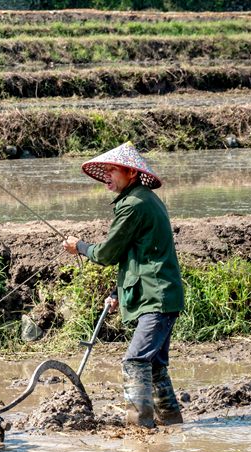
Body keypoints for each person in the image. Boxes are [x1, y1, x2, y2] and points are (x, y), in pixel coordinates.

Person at [61, 142, 184, 428]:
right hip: (160, 293)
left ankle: (139, 428)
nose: (107, 176)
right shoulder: (144, 199)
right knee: (154, 365)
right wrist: (118, 292)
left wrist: (80, 246)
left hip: (156, 296)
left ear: (130, 173)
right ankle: (172, 423)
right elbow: (136, 254)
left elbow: (108, 254)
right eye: (105, 171)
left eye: (112, 170)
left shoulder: (133, 205)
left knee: (135, 361)